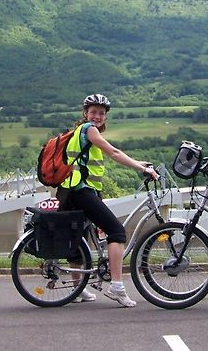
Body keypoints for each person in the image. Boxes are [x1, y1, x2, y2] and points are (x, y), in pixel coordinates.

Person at [58, 93, 159, 307]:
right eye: (93, 112)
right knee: (117, 232)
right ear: (85, 113)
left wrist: (138, 162)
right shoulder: (89, 129)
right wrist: (141, 168)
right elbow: (113, 152)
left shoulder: (80, 132)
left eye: (101, 113)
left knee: (80, 238)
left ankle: (77, 289)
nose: (97, 116)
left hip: (72, 192)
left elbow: (108, 154)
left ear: (105, 117)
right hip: (81, 191)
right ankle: (117, 287)